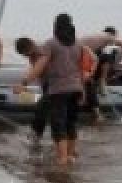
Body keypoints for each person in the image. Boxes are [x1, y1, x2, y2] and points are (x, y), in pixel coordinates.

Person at [17, 14, 96, 167]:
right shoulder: (77, 45)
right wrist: (83, 92)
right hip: (75, 89)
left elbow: (40, 66)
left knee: (58, 125)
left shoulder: (51, 44)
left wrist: (24, 82)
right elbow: (81, 70)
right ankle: (71, 156)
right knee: (71, 123)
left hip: (58, 91)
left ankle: (62, 160)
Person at [15, 37, 49, 141]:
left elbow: (37, 69)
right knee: (42, 109)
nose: (27, 56)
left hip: (58, 84)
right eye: (24, 55)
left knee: (41, 108)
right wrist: (23, 84)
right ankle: (37, 137)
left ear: (32, 44)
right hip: (47, 85)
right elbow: (32, 70)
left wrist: (23, 84)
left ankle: (36, 137)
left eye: (27, 53)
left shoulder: (43, 52)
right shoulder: (32, 56)